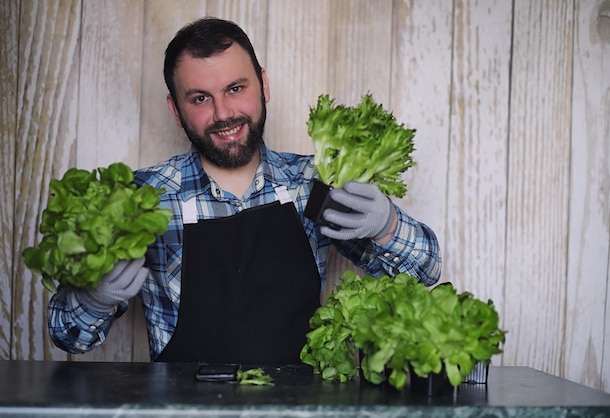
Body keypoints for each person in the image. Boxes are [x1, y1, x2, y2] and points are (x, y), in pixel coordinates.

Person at [47, 17, 441, 363]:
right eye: (201, 98)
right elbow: (67, 336)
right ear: (176, 109)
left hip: (299, 410)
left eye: (236, 88)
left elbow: (424, 273)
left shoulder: (313, 185)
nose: (223, 114)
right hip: (183, 414)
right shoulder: (142, 199)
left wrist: (387, 226)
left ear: (263, 84)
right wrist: (95, 298)